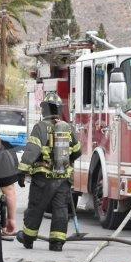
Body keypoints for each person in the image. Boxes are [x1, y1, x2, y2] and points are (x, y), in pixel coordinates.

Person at [16, 92, 82, 251]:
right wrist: (66, 161)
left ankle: (28, 238)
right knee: (60, 210)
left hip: (42, 179)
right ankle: (57, 243)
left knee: (36, 208)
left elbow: (31, 151)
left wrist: (21, 172)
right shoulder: (68, 127)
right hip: (63, 179)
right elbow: (78, 151)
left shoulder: (40, 127)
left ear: (44, 109)